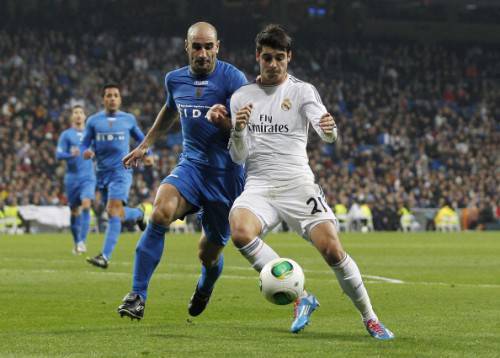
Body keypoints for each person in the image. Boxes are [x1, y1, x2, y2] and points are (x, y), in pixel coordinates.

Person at [227, 24, 394, 339]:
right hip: (260, 185)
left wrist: (329, 129)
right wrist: (237, 130)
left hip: (297, 184)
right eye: (267, 58)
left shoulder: (303, 91)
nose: (273, 64)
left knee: (332, 250)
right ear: (257, 58)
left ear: (289, 57)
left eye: (279, 57)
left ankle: (370, 317)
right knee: (239, 230)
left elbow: (326, 132)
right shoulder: (242, 97)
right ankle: (301, 298)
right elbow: (238, 157)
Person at [117, 22, 247, 320]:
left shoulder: (233, 80)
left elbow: (245, 133)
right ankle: (137, 295)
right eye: (197, 46)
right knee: (160, 211)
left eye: (208, 46)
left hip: (226, 178)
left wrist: (224, 123)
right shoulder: (174, 80)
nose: (202, 53)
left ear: (218, 47)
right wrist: (145, 144)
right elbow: (169, 109)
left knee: (208, 254)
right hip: (191, 167)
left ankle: (206, 284)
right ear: (186, 47)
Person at [81, 84, 153, 268]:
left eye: (115, 95)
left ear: (120, 99)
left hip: (122, 171)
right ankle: (138, 213)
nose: (112, 98)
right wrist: (86, 151)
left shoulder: (128, 119)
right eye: (108, 95)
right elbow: (84, 144)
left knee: (113, 211)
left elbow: (142, 139)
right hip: (102, 173)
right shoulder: (93, 121)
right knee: (115, 214)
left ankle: (104, 256)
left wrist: (148, 155)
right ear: (103, 99)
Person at [56, 105, 96, 254]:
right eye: (75, 113)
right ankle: (77, 241)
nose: (78, 115)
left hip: (88, 177)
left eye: (81, 112)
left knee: (86, 205)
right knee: (74, 211)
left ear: (85, 116)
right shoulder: (66, 135)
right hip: (72, 178)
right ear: (72, 117)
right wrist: (70, 155)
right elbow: (59, 155)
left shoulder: (91, 134)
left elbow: (98, 149)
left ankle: (82, 242)